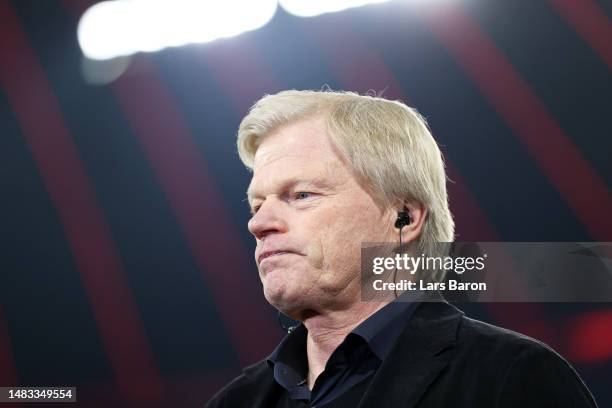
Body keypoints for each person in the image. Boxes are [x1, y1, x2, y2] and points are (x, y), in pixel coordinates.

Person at [205, 90, 597, 407]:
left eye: (302, 194)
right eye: (257, 205)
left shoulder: (509, 378)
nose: (258, 224)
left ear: (405, 217)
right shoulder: (234, 401)